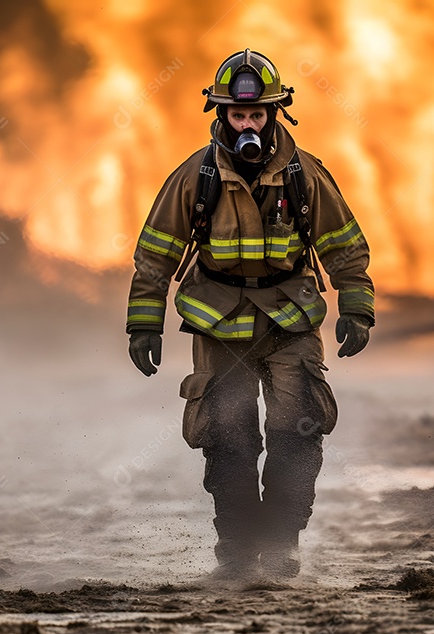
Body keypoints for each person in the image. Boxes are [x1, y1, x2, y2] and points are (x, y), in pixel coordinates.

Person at [125, 49, 375, 581]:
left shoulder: (305, 175)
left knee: (299, 427)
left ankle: (281, 542)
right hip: (219, 325)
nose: (247, 126)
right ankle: (238, 549)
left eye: (256, 114)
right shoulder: (195, 177)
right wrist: (144, 323)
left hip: (290, 320)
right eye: (238, 115)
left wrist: (357, 305)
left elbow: (344, 245)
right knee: (228, 436)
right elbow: (155, 254)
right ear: (222, 115)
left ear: (274, 114)